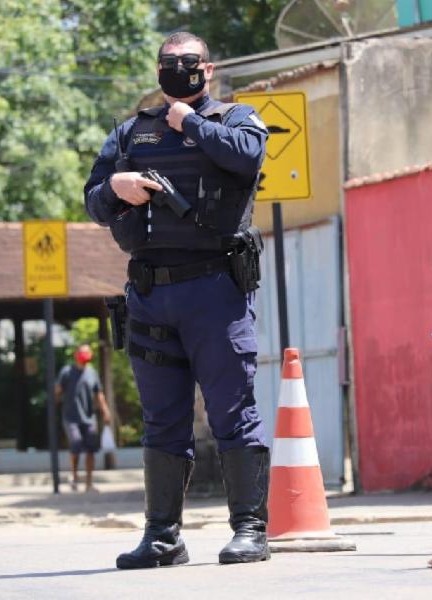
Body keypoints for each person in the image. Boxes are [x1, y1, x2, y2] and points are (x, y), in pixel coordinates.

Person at [84, 31, 270, 569]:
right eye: (169, 63)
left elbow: (247, 157)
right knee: (161, 420)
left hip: (215, 291)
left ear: (207, 70)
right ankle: (162, 538)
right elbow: (94, 203)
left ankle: (250, 531)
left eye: (188, 63)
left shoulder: (236, 118)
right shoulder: (129, 132)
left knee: (233, 411)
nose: (178, 69)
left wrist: (189, 122)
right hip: (150, 294)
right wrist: (115, 188)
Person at [55, 344, 111, 493]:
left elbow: (99, 393)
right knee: (76, 444)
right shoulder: (67, 372)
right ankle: (74, 477)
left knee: (91, 450)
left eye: (88, 352)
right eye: (83, 352)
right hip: (71, 417)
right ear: (76, 355)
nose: (85, 355)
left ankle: (89, 483)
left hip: (88, 417)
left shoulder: (92, 372)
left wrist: (105, 410)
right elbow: (57, 391)